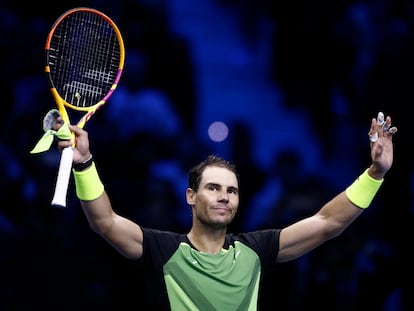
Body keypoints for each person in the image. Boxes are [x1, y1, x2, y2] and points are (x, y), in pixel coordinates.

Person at [55, 112, 396, 310]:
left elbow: (327, 222)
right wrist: (83, 162)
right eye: (213, 188)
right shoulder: (162, 249)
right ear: (190, 196)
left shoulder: (256, 251)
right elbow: (104, 221)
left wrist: (375, 173)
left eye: (232, 190)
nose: (224, 197)